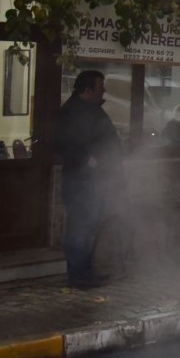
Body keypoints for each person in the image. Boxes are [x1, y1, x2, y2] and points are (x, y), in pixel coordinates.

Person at [55, 70, 123, 288]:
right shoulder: (71, 112)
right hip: (81, 181)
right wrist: (88, 160)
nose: (103, 90)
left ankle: (87, 271)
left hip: (97, 180)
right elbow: (64, 144)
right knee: (80, 227)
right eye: (100, 86)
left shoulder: (92, 110)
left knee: (91, 225)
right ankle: (78, 276)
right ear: (87, 89)